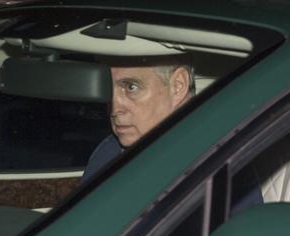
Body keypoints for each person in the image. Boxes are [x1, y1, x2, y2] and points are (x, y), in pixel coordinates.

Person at [81, 56, 262, 214]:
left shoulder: (219, 165)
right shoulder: (108, 152)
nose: (114, 108)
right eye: (107, 89)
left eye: (131, 87)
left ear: (178, 86)